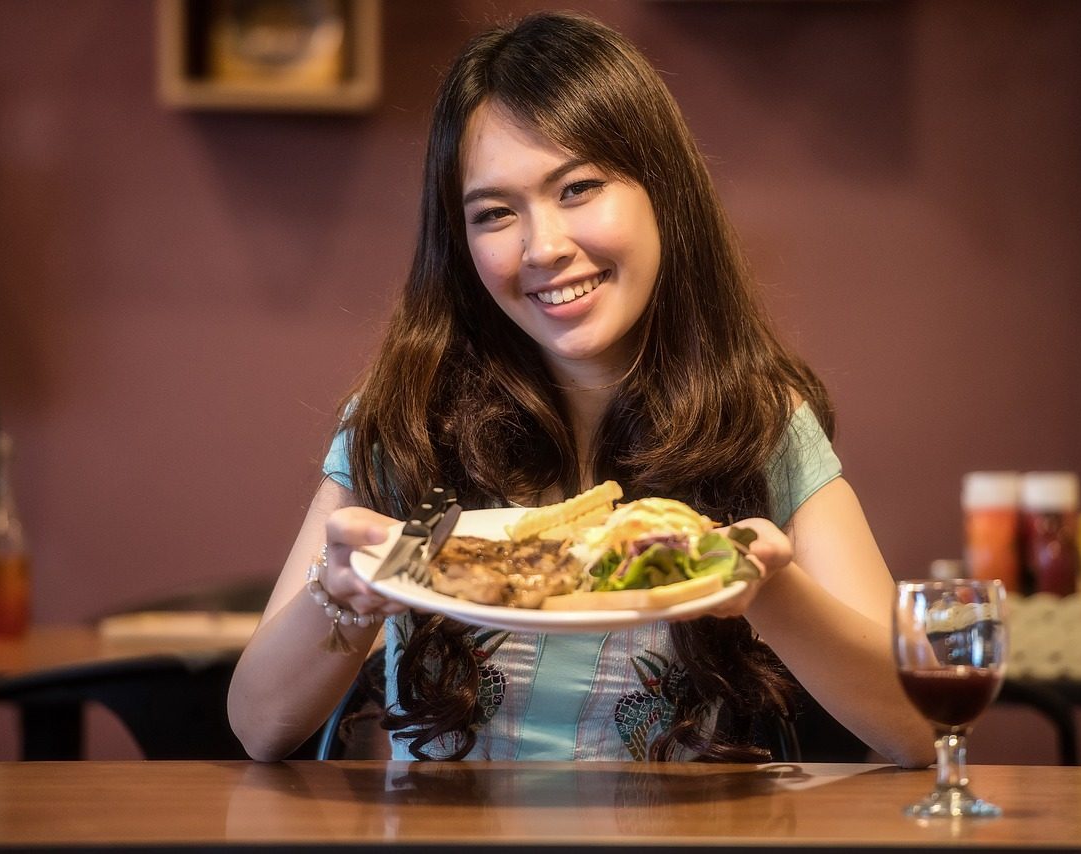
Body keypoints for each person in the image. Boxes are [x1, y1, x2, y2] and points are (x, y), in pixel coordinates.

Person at [228, 10, 934, 767]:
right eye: (495, 213)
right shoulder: (402, 419)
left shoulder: (755, 423)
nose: (544, 248)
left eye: (579, 188)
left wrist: (767, 589)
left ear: (663, 191)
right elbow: (259, 726)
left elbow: (921, 725)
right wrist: (340, 597)